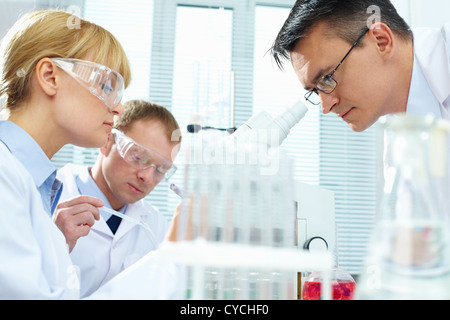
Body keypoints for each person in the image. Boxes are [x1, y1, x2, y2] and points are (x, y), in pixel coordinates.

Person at [0, 10, 181, 299]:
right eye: (106, 86)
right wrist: (176, 255)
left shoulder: (33, 184)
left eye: (160, 169)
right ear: (50, 77)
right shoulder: (5, 174)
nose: (118, 108)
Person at [54, 99, 181, 298]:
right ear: (107, 142)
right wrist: (54, 244)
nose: (147, 177)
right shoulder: (49, 199)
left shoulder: (156, 226)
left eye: (161, 169)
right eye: (138, 157)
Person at [271, 0, 450, 132]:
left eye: (327, 78)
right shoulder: (401, 137)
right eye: (316, 91)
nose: (326, 108)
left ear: (381, 41)